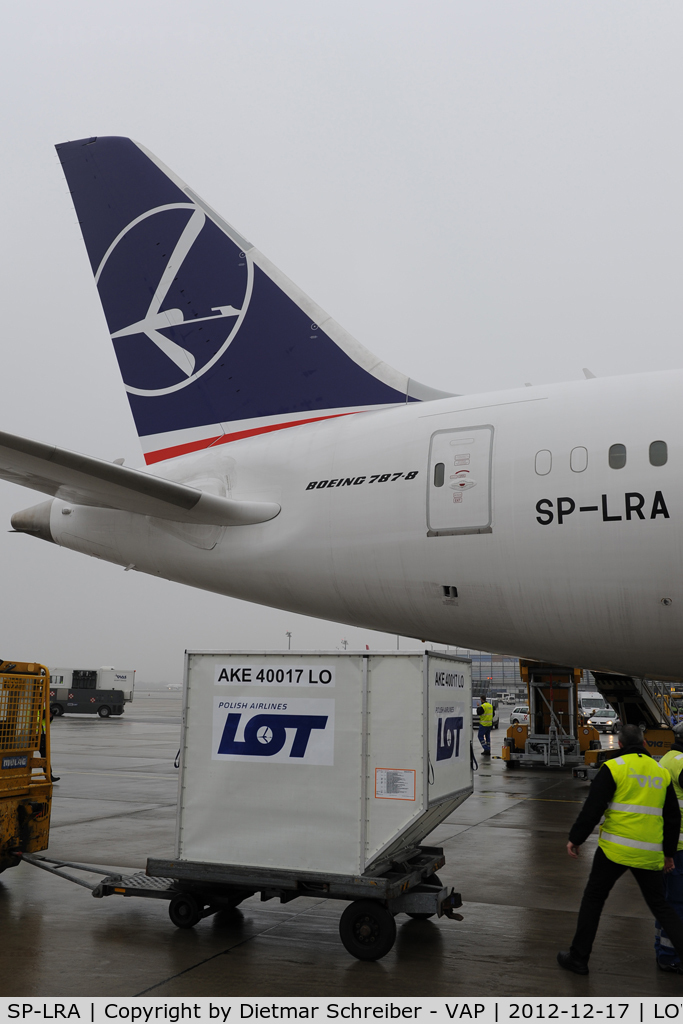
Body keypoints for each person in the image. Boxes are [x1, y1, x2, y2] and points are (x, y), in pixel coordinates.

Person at [558, 723, 683, 975]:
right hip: (649, 852)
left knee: (593, 900)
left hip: (614, 850)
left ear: (621, 744)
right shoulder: (660, 772)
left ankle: (578, 958)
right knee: (661, 906)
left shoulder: (613, 768)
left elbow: (593, 808)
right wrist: (668, 853)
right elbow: (672, 818)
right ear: (645, 743)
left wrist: (576, 838)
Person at [655, 722, 683, 972]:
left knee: (668, 901)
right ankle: (668, 954)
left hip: (670, 843)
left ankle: (663, 947)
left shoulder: (667, 758)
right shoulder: (680, 760)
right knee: (677, 902)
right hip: (680, 846)